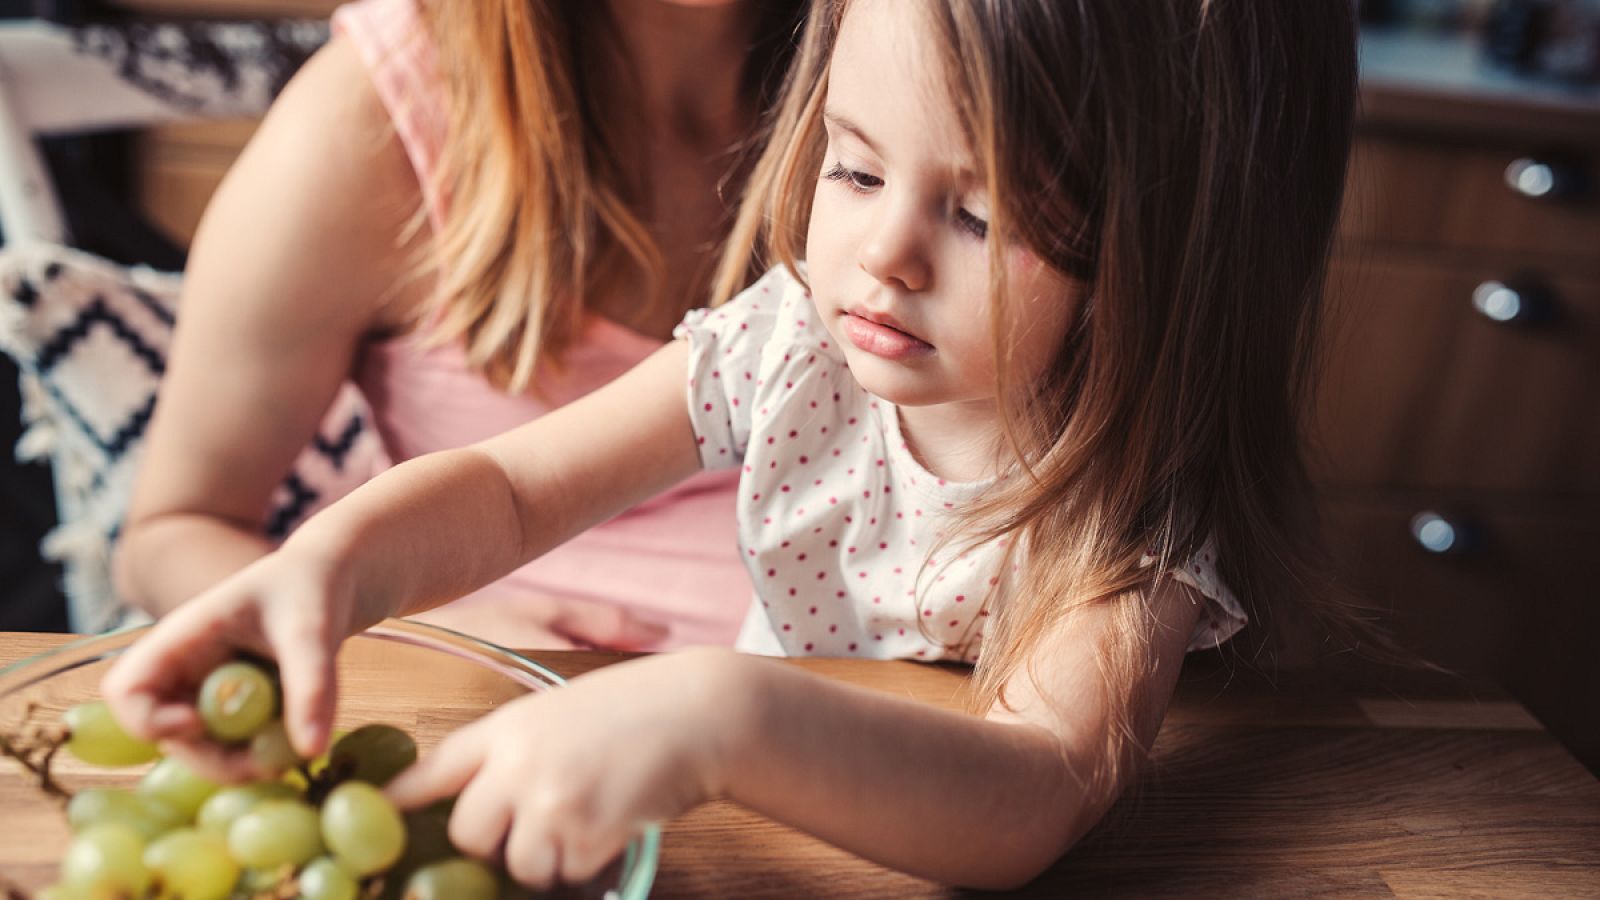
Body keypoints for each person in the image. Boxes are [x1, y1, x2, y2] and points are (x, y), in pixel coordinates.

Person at [105, 0, 1364, 889]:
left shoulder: (1128, 505)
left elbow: (1035, 790)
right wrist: (341, 569)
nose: (884, 256)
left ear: (1169, 263)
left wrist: (712, 711)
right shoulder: (793, 347)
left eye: (980, 213)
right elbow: (504, 490)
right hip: (738, 850)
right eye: (856, 172)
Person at [110, 0, 807, 650]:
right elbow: (167, 539)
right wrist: (434, 642)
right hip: (539, 724)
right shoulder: (371, 117)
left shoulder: (890, 63)